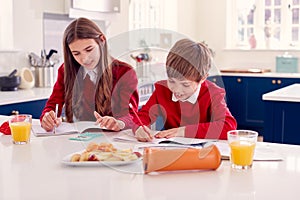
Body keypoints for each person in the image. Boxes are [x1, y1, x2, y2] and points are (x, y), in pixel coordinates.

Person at [40, 17, 139, 132]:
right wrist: (47, 118)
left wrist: (119, 123)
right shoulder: (65, 71)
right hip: (77, 141)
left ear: (102, 41)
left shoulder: (125, 72)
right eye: (76, 53)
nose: (84, 59)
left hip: (112, 143)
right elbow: (52, 105)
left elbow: (131, 115)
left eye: (89, 49)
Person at [133, 38, 237, 142]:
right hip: (171, 151)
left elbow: (228, 126)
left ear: (202, 79)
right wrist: (139, 128)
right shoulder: (162, 90)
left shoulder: (213, 93)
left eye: (185, 85)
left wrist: (183, 131)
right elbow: (142, 116)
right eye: (172, 81)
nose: (177, 90)